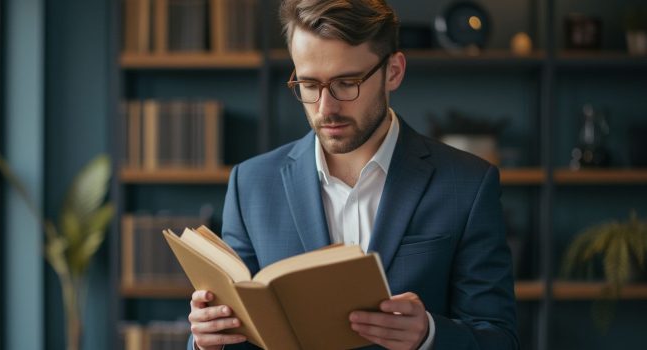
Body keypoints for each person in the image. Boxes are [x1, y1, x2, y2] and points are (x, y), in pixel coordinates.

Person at [187, 1, 518, 349]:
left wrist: (428, 335)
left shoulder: (467, 184)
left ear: (393, 71)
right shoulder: (250, 184)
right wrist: (209, 340)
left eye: (346, 83)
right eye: (309, 85)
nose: (326, 108)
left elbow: (500, 339)